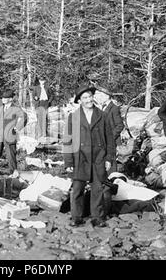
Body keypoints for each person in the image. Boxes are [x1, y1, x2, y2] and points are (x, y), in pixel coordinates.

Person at [63, 85, 115, 227]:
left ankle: (97, 217)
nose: (88, 100)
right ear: (80, 100)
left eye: (90, 97)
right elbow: (67, 140)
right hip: (80, 158)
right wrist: (68, 162)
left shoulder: (103, 116)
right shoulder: (73, 117)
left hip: (98, 157)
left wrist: (109, 158)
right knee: (77, 189)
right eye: (85, 98)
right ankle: (76, 217)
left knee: (98, 189)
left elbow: (110, 139)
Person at [0, 90, 28, 178]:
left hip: (10, 135)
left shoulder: (16, 108)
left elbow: (24, 117)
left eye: (5, 98)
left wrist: (17, 127)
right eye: (2, 98)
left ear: (10, 99)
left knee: (11, 155)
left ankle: (13, 172)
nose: (3, 99)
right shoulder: (1, 108)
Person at [93, 86, 124, 174]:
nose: (98, 98)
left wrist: (109, 137)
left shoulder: (114, 108)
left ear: (106, 96)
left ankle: (112, 182)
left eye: (100, 95)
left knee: (111, 163)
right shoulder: (101, 108)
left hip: (111, 142)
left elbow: (120, 125)